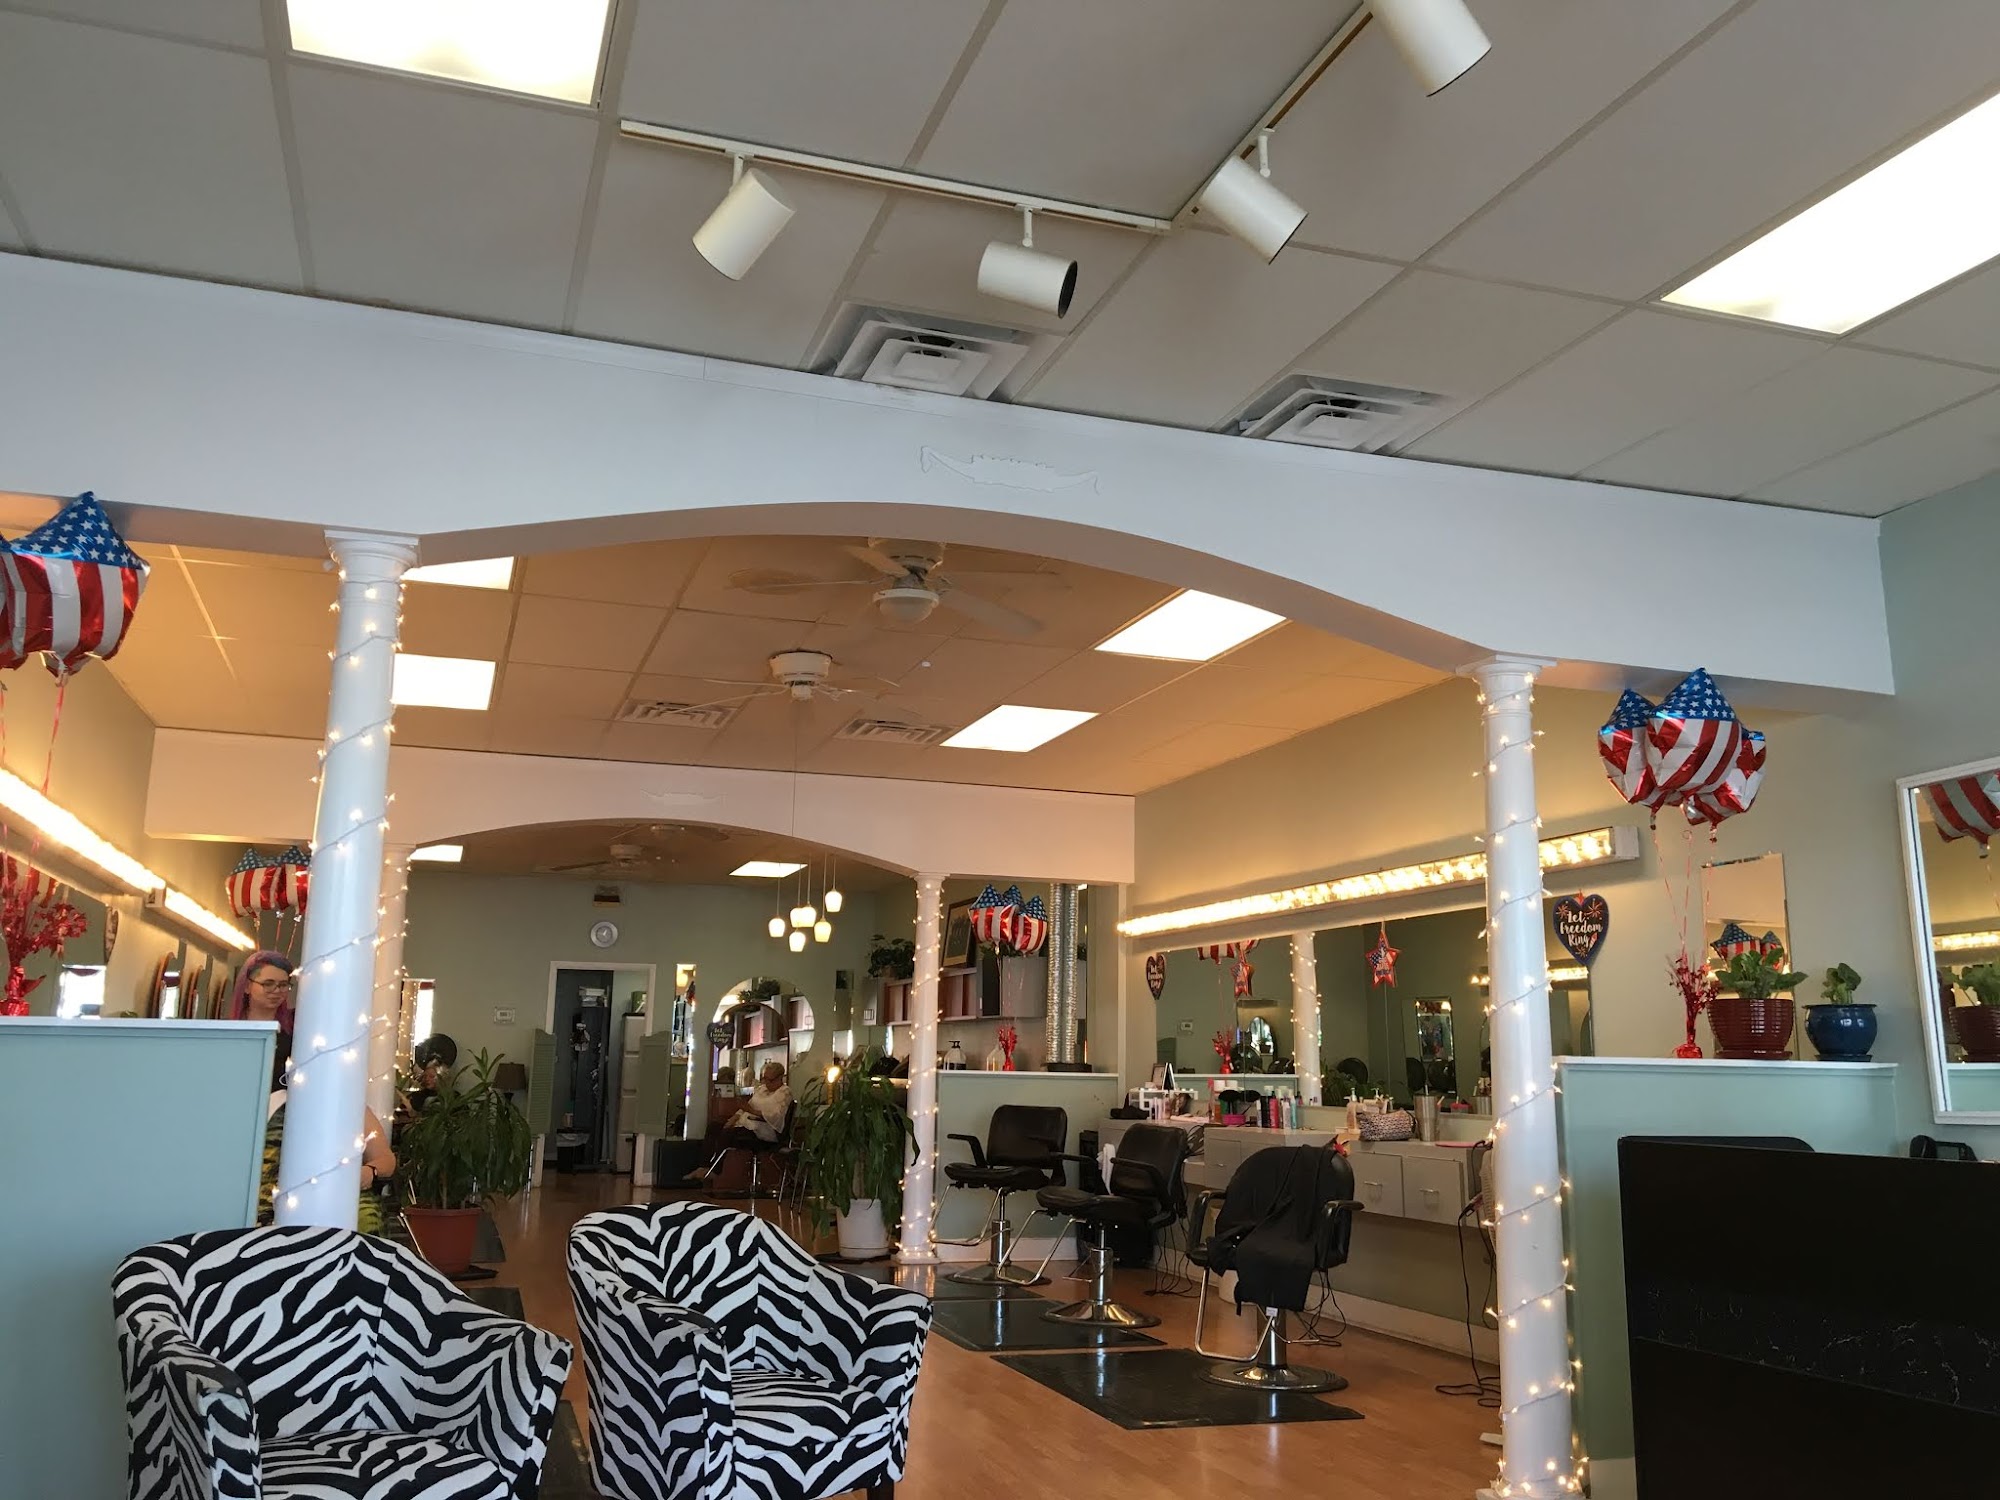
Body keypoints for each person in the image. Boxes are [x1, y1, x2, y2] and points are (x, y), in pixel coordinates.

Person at [234, 951, 397, 1230]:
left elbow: (384, 1157)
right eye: (268, 983)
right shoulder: (234, 1042)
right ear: (248, 985)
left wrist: (366, 1172)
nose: (277, 991)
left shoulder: (300, 1041)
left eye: (284, 985)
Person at [727, 1060, 792, 1142]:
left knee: (731, 1135)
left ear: (780, 1078)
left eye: (770, 1080)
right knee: (717, 1127)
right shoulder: (762, 1089)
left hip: (764, 1129)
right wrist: (733, 1118)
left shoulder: (784, 1092)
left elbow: (776, 1116)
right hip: (745, 1124)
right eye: (765, 1079)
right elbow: (746, 1107)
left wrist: (752, 1111)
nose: (766, 1083)